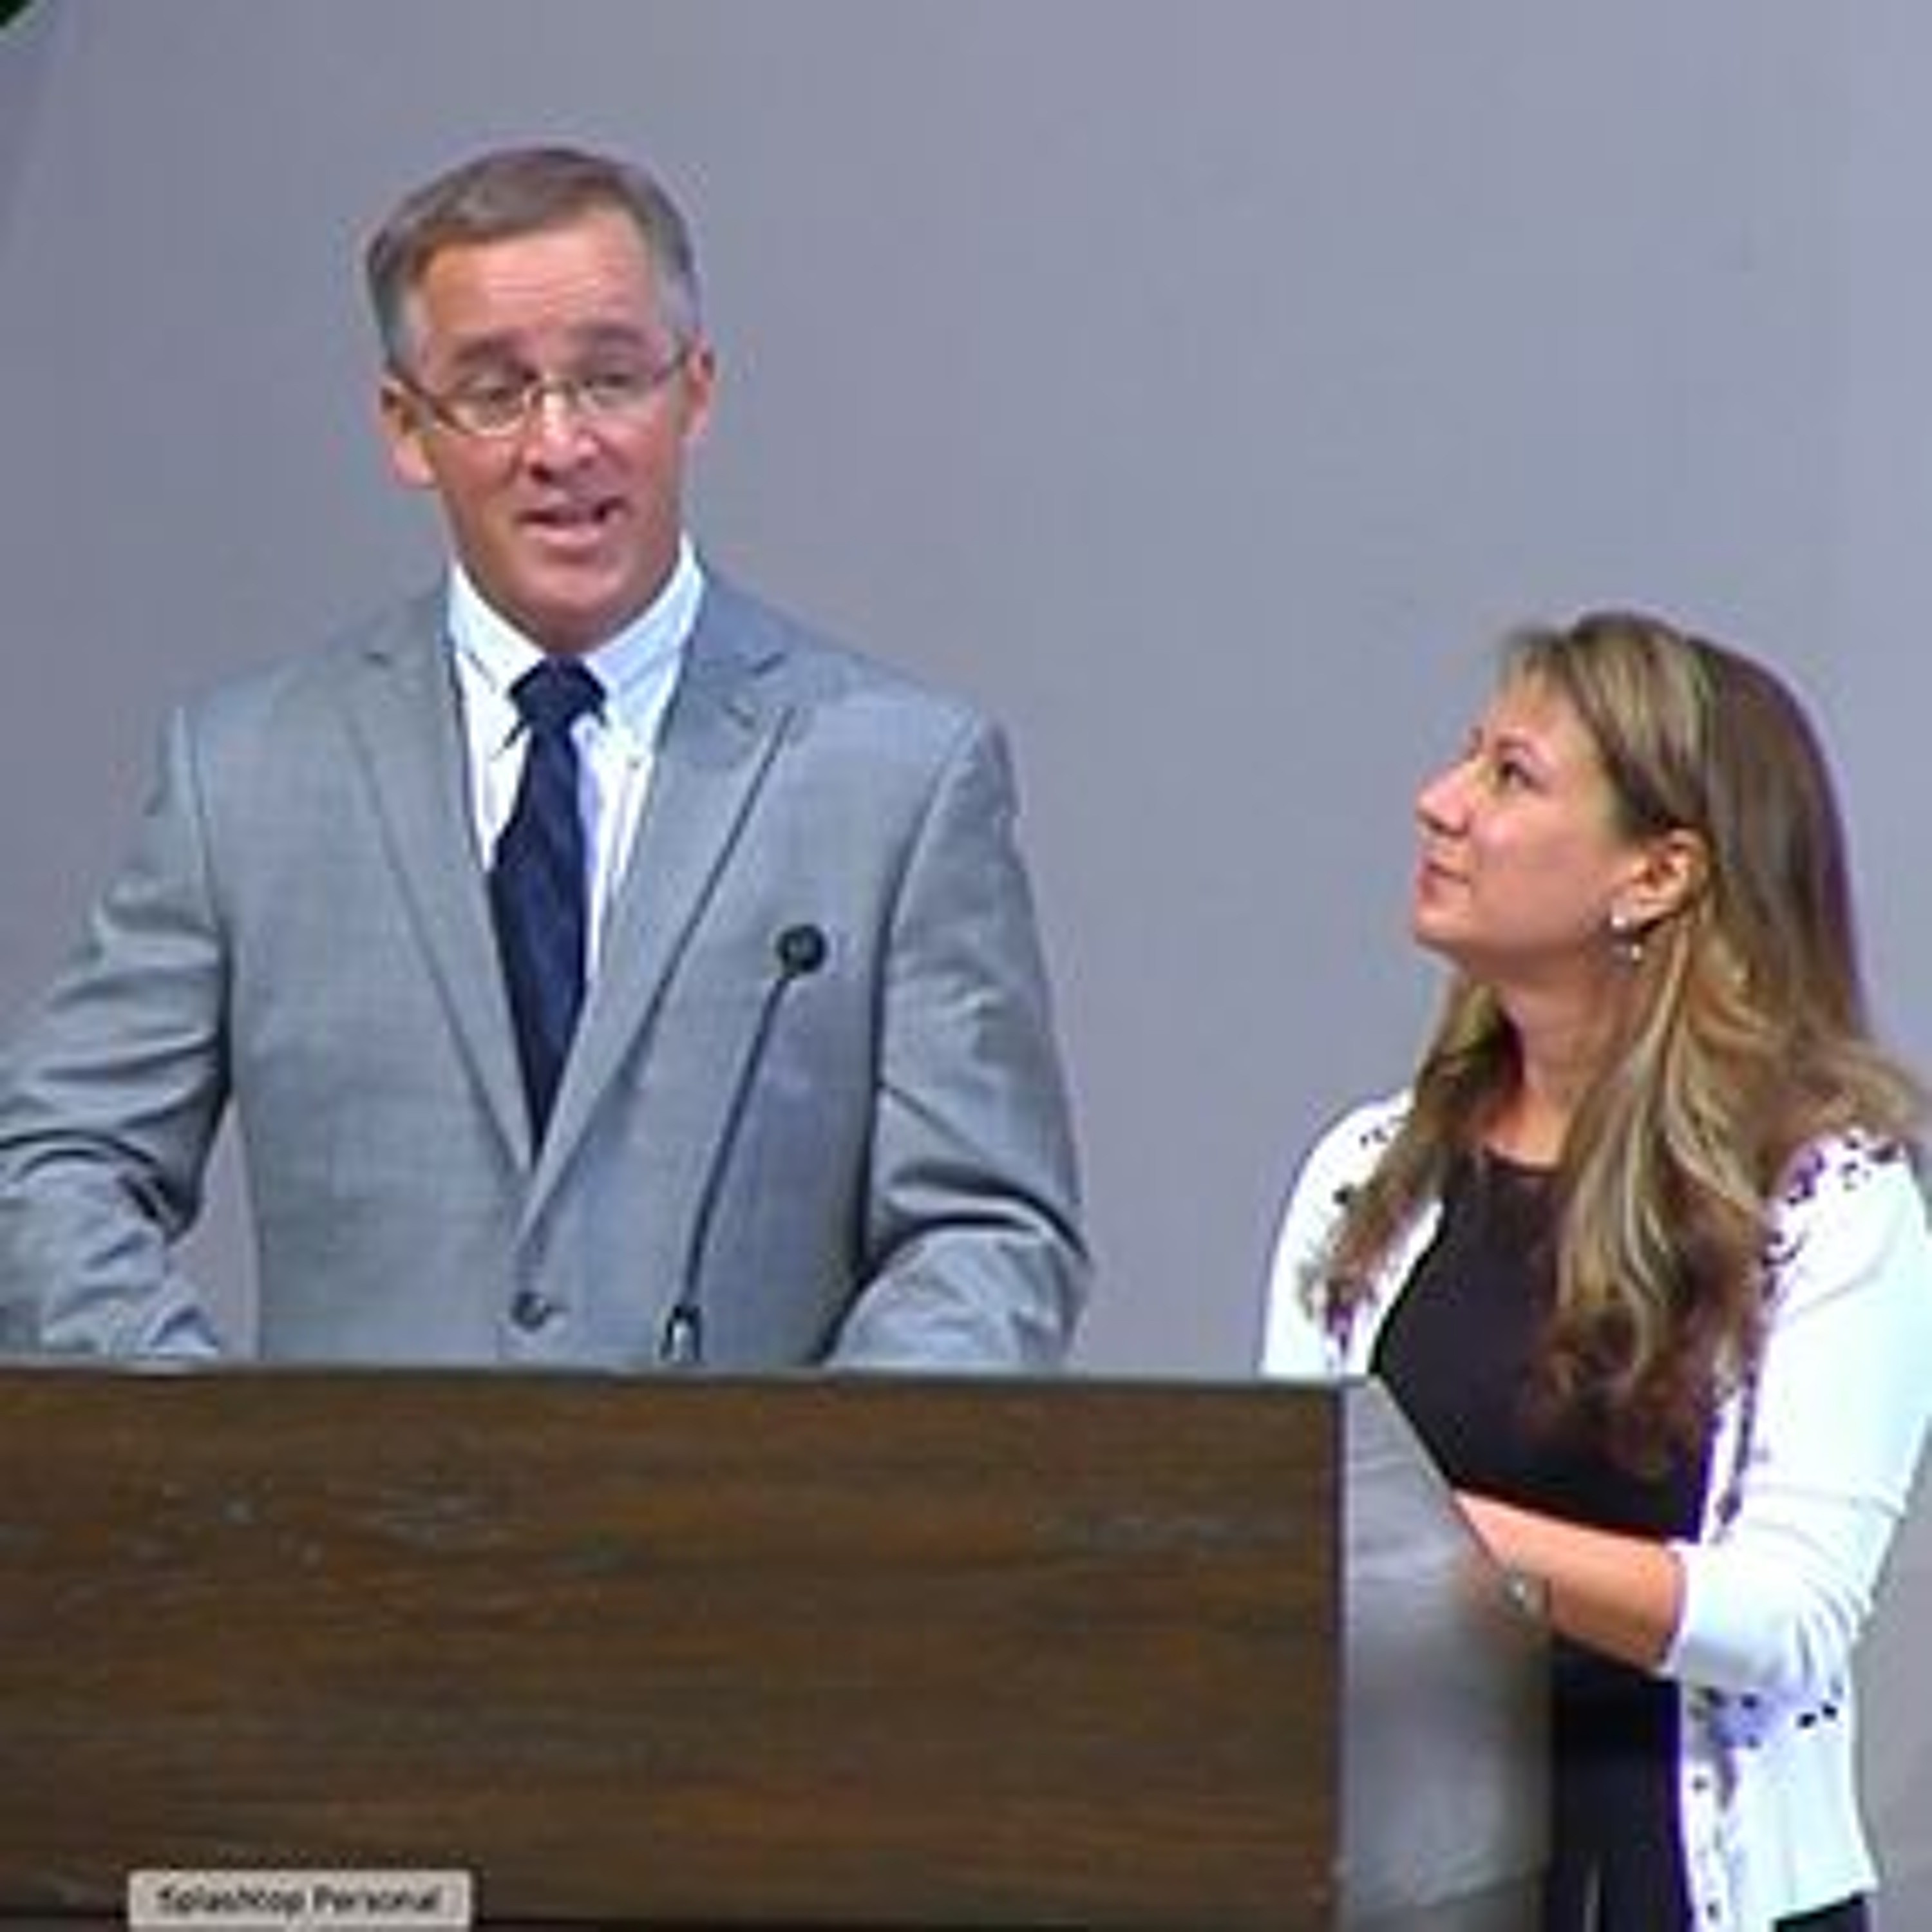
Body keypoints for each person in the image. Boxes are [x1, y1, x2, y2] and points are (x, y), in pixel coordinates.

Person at [0, 143, 1086, 1370]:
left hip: (746, 1502)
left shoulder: (895, 782)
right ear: (407, 429)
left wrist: (817, 1476)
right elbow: (51, 1162)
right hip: (344, 1502)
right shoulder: (247, 777)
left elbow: (988, 1234)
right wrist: (206, 1434)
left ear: (697, 394)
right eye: (496, 392)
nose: (561, 445)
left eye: (611, 380)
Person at [1262, 611, 1932, 1930]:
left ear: (1659, 873)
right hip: (1414, 1883)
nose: (1439, 802)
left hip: (1681, 1888)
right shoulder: (1367, 1175)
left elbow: (1789, 1616)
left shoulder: (1827, 1197)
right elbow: (1289, 1546)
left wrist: (1441, 1541)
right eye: (1467, 758)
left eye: (1510, 775)